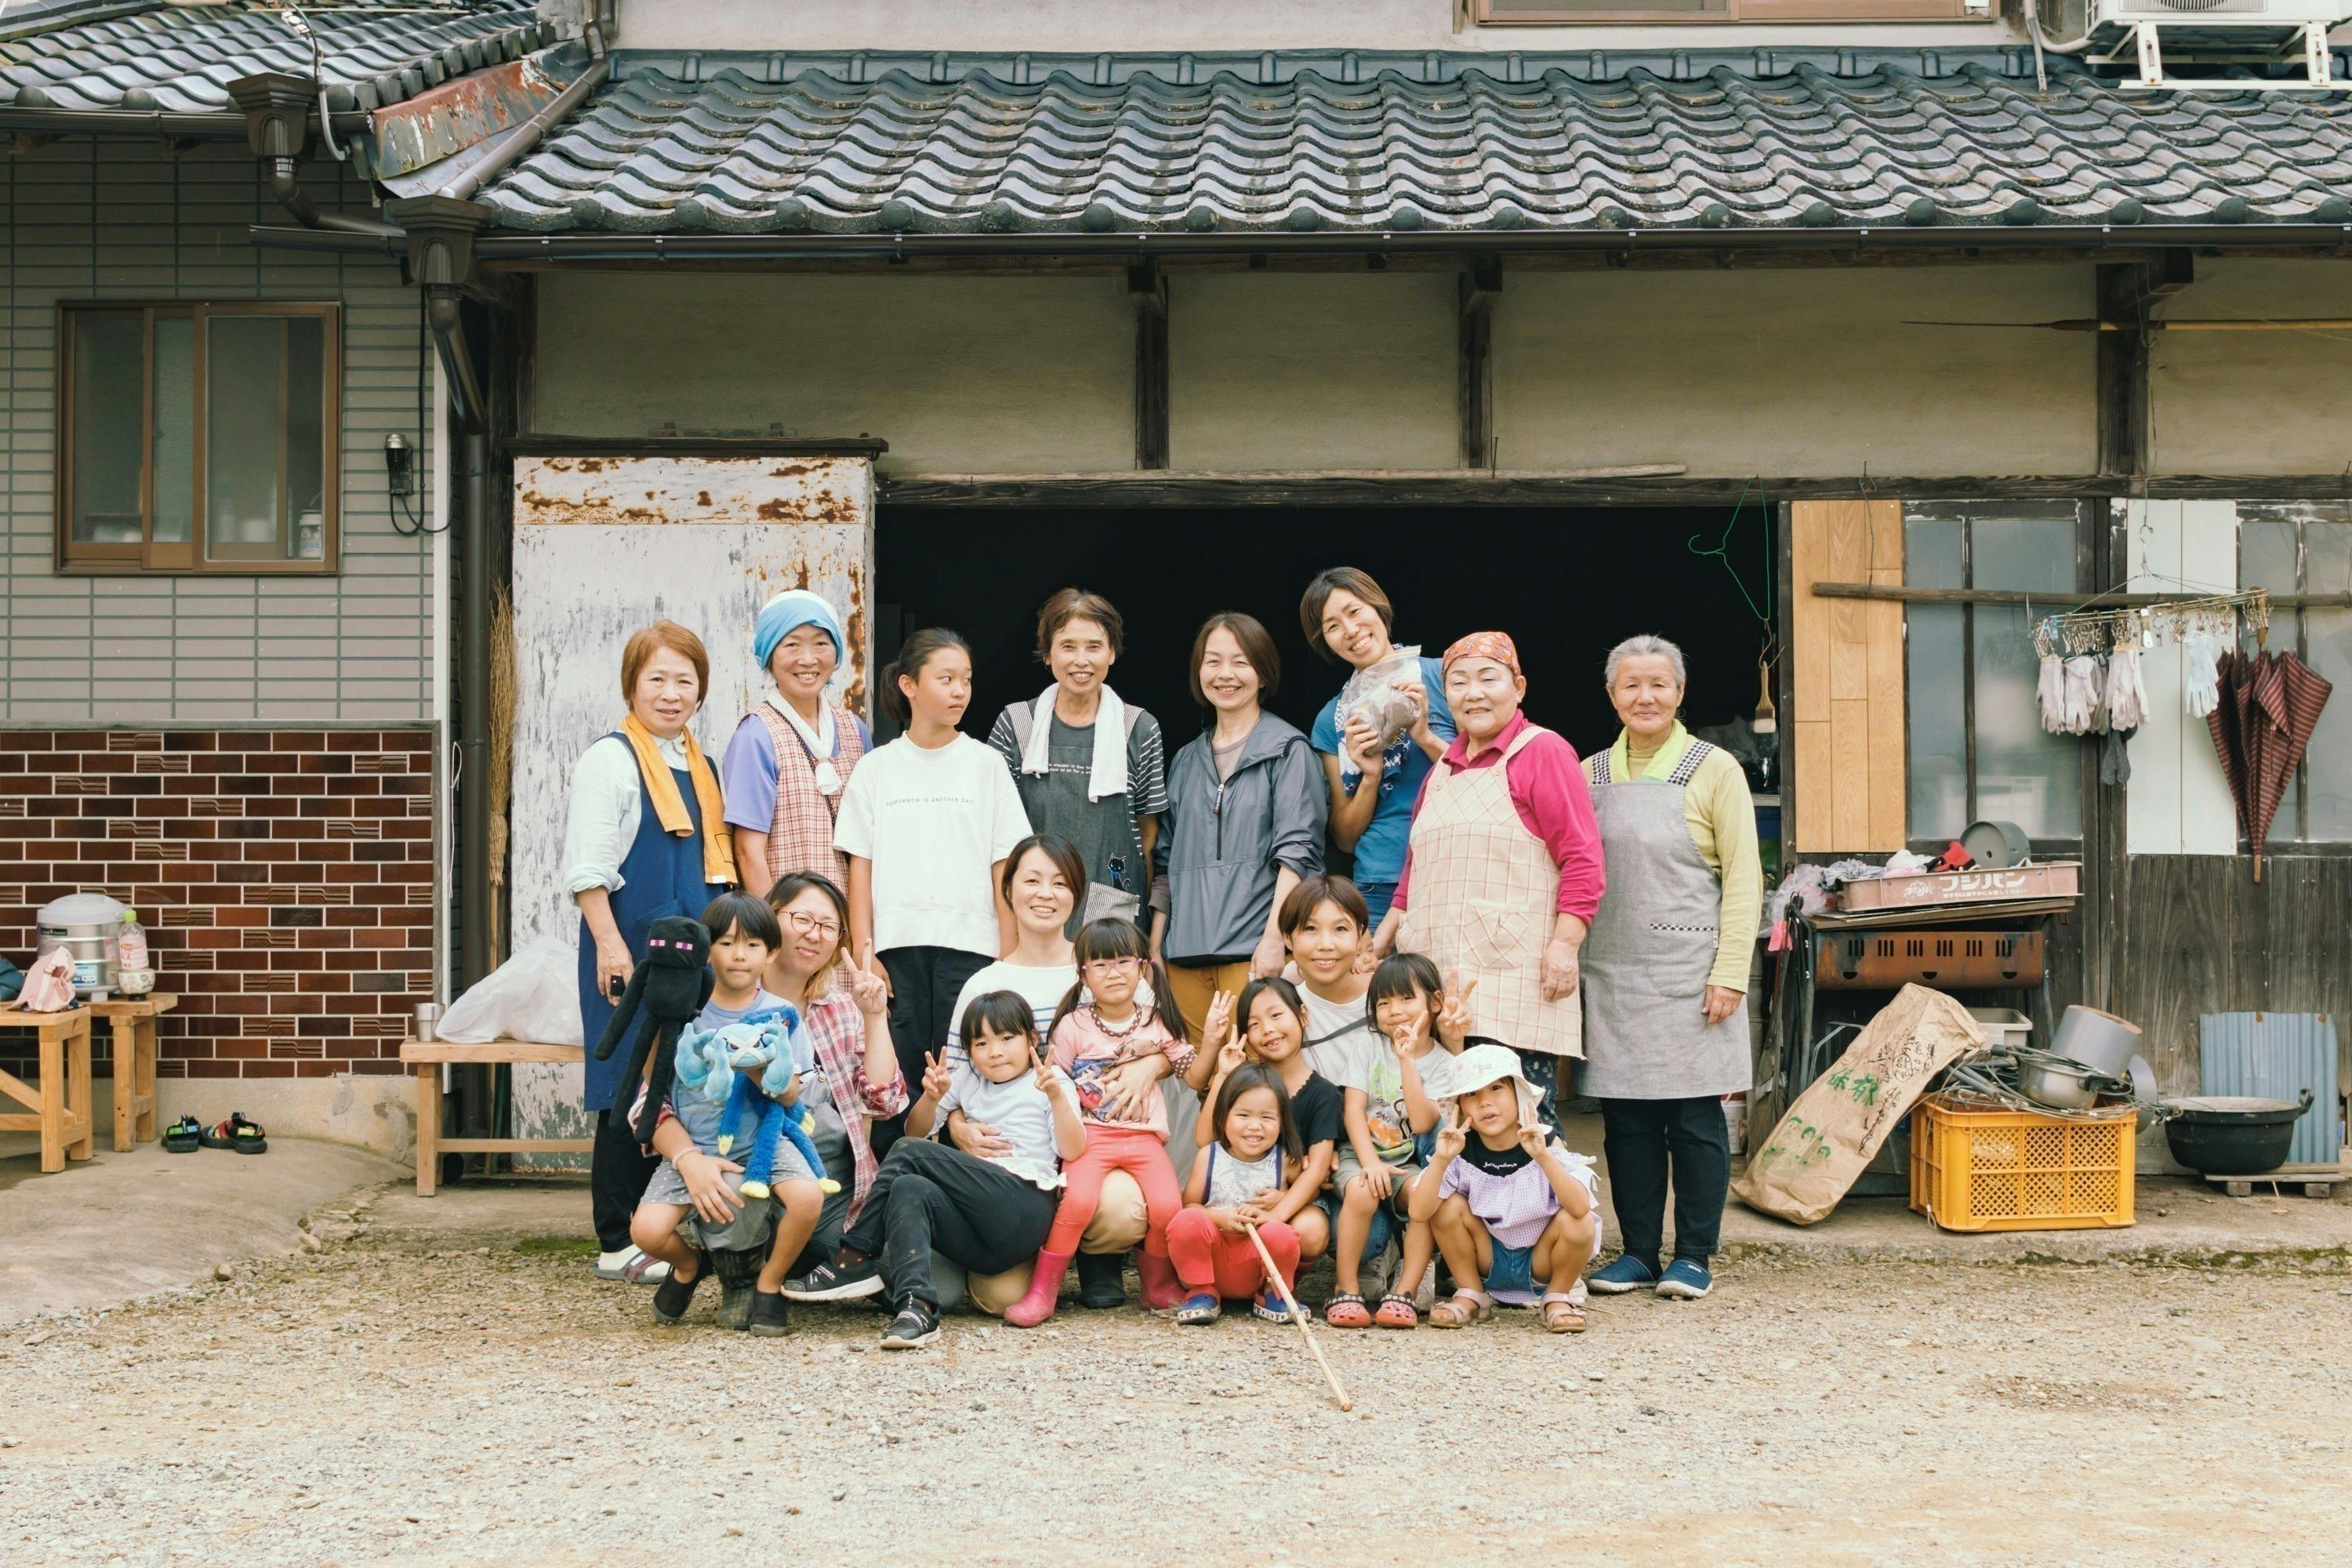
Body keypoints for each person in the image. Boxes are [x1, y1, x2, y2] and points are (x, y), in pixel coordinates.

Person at [1580, 634, 1759, 1305]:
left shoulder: (1714, 769)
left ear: (1679, 693)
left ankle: (1693, 1255)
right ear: (1612, 695)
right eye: (1631, 685)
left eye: (1658, 684)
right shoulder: (1587, 772)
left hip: (1692, 970)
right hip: (1613, 970)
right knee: (1626, 1122)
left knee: (1693, 1119)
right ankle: (1637, 1253)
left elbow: (1744, 878)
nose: (1645, 697)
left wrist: (1730, 973)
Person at [564, 620, 738, 1284]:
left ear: (701, 691)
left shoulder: (702, 763)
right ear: (631, 685)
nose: (670, 694)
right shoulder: (610, 759)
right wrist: (610, 945)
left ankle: (667, 1219)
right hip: (630, 952)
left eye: (684, 681)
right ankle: (616, 1238)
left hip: (693, 954)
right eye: (656, 679)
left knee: (679, 1081)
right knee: (626, 1083)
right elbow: (588, 866)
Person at [1372, 631, 1604, 1126]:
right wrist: (1377, 947)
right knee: (1452, 1129)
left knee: (1521, 1125)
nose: (1472, 692)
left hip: (1512, 976)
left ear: (1518, 687)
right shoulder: (1442, 771)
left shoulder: (1541, 752)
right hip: (1437, 977)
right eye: (1458, 682)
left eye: (1488, 678)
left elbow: (1582, 858)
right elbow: (1412, 875)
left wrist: (1565, 944)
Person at [938, 833, 1166, 1311]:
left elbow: (1161, 1038)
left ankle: (1097, 1255)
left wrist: (1153, 1065)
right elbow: (953, 1083)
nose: (1046, 894)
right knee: (1000, 1298)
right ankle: (1029, 1255)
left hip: (1096, 1141)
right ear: (1008, 891)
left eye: (1060, 883)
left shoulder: (1104, 966)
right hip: (1019, 1158)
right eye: (1033, 881)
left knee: (1125, 1207)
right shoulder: (985, 983)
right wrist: (958, 1128)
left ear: (1077, 893)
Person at [787, 992, 1084, 1351]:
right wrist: (931, 1097)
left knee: (908, 1156)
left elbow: (1072, 1149)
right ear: (970, 1050)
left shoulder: (1049, 1081)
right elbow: (915, 1132)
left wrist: (1054, 1096)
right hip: (979, 1234)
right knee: (909, 1186)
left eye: (1008, 1038)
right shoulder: (966, 1080)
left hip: (1023, 1206)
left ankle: (853, 1256)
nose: (995, 1051)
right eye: (982, 1043)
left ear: (1031, 1040)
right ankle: (917, 1308)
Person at [835, 628, 1030, 1147]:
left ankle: (955, 1191)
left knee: (964, 1072)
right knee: (893, 1076)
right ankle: (888, 1193)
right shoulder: (876, 768)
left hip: (973, 949)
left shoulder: (986, 765)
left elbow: (1003, 865)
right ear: (909, 685)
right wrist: (865, 950)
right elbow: (861, 867)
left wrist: (1009, 953)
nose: (959, 691)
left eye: (966, 680)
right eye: (945, 679)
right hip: (896, 953)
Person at [629, 893, 822, 1336]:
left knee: (808, 1198)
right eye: (727, 942)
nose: (739, 954)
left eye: (753, 944)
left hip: (763, 1143)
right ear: (705, 949)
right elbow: (651, 1098)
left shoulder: (781, 1015)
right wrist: (685, 1158)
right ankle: (689, 1266)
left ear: (771, 952)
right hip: (694, 1144)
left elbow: (796, 1096)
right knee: (647, 1232)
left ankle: (768, 1286)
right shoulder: (684, 1014)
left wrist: (757, 1066)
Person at [1004, 918, 1193, 1326]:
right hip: (1092, 1137)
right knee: (1077, 1203)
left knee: (1167, 1206)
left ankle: (1156, 1285)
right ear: (1084, 973)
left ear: (1142, 967)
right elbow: (1056, 1078)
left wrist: (1208, 1043)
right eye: (1101, 964)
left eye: (1124, 961)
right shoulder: (1074, 1024)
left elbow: (1190, 1071)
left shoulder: (1155, 1020)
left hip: (1144, 1139)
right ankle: (1043, 1291)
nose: (1114, 972)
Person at [1152, 612, 1327, 1043]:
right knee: (1200, 1086)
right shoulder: (1185, 760)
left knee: (1254, 1087)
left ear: (1263, 672)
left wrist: (1275, 941)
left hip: (1252, 955)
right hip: (1182, 959)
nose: (1225, 674)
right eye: (1213, 662)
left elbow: (1298, 852)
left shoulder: (1288, 750)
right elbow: (1165, 858)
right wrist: (1156, 948)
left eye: (1241, 662)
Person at [985, 589, 1169, 935]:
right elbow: (994, 833)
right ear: (1048, 654)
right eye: (1068, 646)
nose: (1081, 660)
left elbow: (1148, 836)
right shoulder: (1016, 723)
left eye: (1094, 647)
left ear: (1112, 654)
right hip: (1032, 906)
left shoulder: (1139, 728)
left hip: (1113, 912)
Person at [753, 872, 907, 1278]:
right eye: (802, 919)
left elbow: (885, 1102)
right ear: (771, 917)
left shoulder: (837, 1008)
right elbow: (657, 1101)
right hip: (747, 1183)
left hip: (832, 1192)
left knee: (932, 1280)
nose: (814, 935)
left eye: (828, 928)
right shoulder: (729, 997)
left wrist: (874, 1017)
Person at [1299, 568, 1456, 927]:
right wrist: (1370, 775)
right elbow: (1345, 838)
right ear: (1325, 641)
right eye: (1333, 625)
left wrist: (1426, 737)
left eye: (1354, 612)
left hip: (1454, 863)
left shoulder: (1445, 676)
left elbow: (1491, 776)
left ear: (1378, 607)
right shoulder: (1332, 719)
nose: (1351, 630)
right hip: (1380, 879)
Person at [1323, 953, 1471, 1331]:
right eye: (1383, 1003)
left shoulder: (1440, 1061)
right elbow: (1352, 1110)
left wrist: (1407, 1060)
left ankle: (1403, 1293)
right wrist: (1369, 1161)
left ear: (1434, 1003)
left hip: (1407, 1160)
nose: (1394, 1011)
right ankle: (1346, 1287)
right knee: (1360, 1192)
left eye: (1406, 999)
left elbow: (1423, 1122)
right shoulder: (1368, 1046)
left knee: (1425, 1198)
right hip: (1362, 1154)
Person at [1410, 1043, 1602, 1334]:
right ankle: (1471, 1293)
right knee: (1446, 1204)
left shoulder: (1545, 1143)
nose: (1485, 1102)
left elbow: (1579, 1208)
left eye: (1496, 1089)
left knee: (1580, 1222)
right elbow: (1420, 1211)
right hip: (1487, 1257)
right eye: (1472, 1094)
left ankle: (1557, 1298)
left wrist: (1543, 1157)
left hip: (1542, 1260)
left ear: (1519, 1095)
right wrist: (1440, 1160)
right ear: (1460, 1107)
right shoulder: (1461, 1151)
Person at [720, 590, 870, 896]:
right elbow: (749, 853)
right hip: (789, 926)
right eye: (791, 645)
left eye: (821, 643)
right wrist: (774, 935)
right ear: (769, 656)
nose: (808, 659)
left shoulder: (854, 730)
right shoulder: (757, 735)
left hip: (849, 924)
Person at [1189, 977, 1337, 1272]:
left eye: (1276, 1015)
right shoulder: (1244, 1081)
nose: (1268, 1029)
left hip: (1289, 1197)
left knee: (1311, 1231)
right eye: (1254, 1024)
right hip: (1233, 1196)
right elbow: (1206, 1139)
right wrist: (1223, 1075)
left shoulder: (1324, 1094)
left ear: (1303, 1016)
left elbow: (1318, 1168)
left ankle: (1278, 1275)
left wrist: (1279, 1211)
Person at [1169, 1063, 1305, 1326]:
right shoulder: (1209, 1156)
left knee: (1281, 1232)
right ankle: (1201, 1291)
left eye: (1267, 1118)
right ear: (1223, 1117)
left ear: (1281, 1121)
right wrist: (1220, 1218)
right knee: (1186, 1222)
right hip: (1213, 1258)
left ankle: (1274, 1294)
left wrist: (1279, 1201)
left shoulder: (1285, 1160)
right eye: (1243, 1115)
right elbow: (1191, 1206)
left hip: (1258, 1264)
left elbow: (1301, 1198)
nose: (1255, 1126)